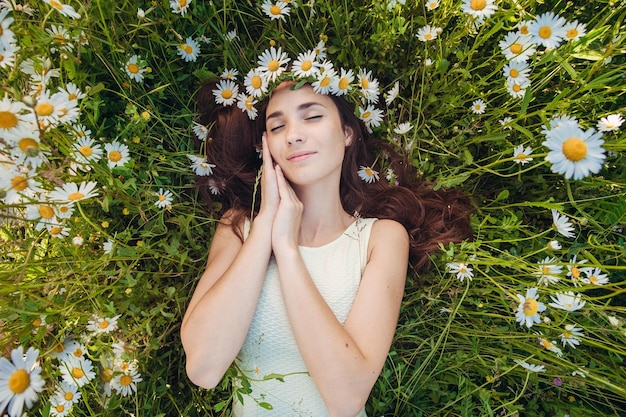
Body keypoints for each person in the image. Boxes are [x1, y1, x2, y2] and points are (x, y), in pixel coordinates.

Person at [181, 51, 473, 416]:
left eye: (313, 116)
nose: (294, 136)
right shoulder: (238, 231)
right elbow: (203, 369)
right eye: (276, 126)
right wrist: (267, 225)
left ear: (347, 132)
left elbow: (347, 397)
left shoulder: (380, 239)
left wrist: (287, 250)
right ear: (266, 147)